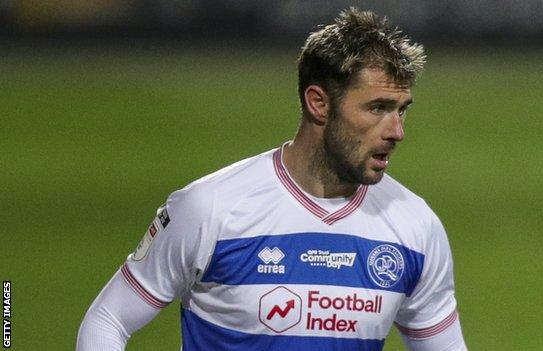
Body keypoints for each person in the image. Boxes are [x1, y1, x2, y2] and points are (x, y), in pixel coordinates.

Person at [77, 7, 467, 351]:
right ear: (318, 103)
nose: (396, 131)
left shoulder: (415, 228)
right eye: (378, 108)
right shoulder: (211, 209)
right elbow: (107, 322)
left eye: (402, 110)